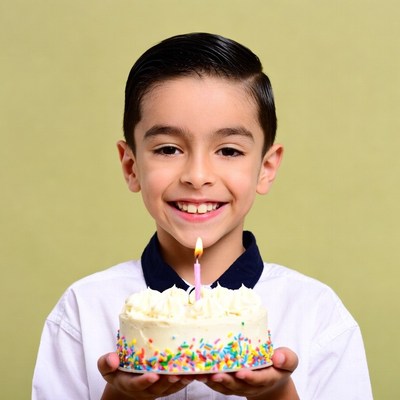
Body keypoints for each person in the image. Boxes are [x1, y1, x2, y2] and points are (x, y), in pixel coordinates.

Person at [32, 33, 372, 399]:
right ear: (131, 166)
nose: (197, 175)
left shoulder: (317, 315)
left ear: (266, 168)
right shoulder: (83, 310)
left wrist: (278, 394)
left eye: (228, 150)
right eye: (167, 148)